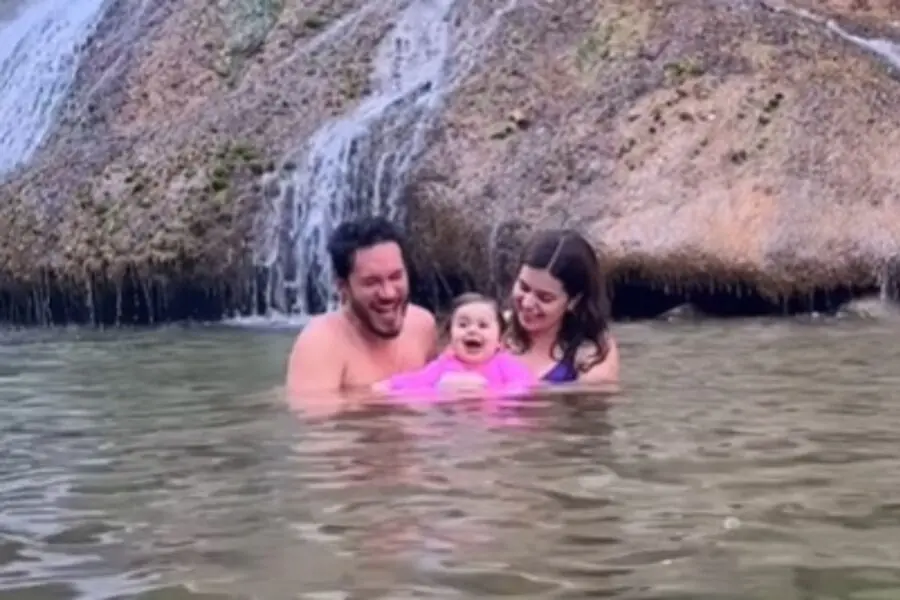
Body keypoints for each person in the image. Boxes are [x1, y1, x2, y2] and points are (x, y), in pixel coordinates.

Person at [285, 216, 438, 404]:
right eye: (372, 282)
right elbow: (317, 422)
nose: (388, 293)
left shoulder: (423, 326)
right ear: (343, 287)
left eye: (395, 277)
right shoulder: (320, 344)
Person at [506, 229, 620, 384]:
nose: (527, 303)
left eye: (544, 298)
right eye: (523, 287)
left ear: (574, 301)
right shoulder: (490, 327)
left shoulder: (595, 352)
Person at [378, 292, 536, 396]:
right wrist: (389, 385)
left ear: (499, 340)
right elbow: (415, 382)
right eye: (463, 325)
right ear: (450, 336)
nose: (472, 330)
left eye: (483, 325)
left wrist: (488, 390)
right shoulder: (442, 366)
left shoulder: (505, 365)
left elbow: (526, 386)